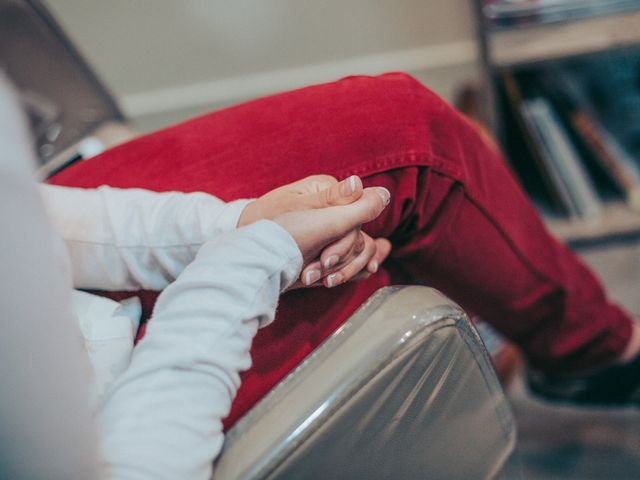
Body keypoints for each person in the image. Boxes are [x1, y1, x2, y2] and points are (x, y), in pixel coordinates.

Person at [2, 71, 639, 479]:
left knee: (400, 140)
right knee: (425, 166)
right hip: (116, 403)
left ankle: (522, 328)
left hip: (67, 292)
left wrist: (242, 221)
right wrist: (255, 254)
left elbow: (32, 219)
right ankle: (592, 351)